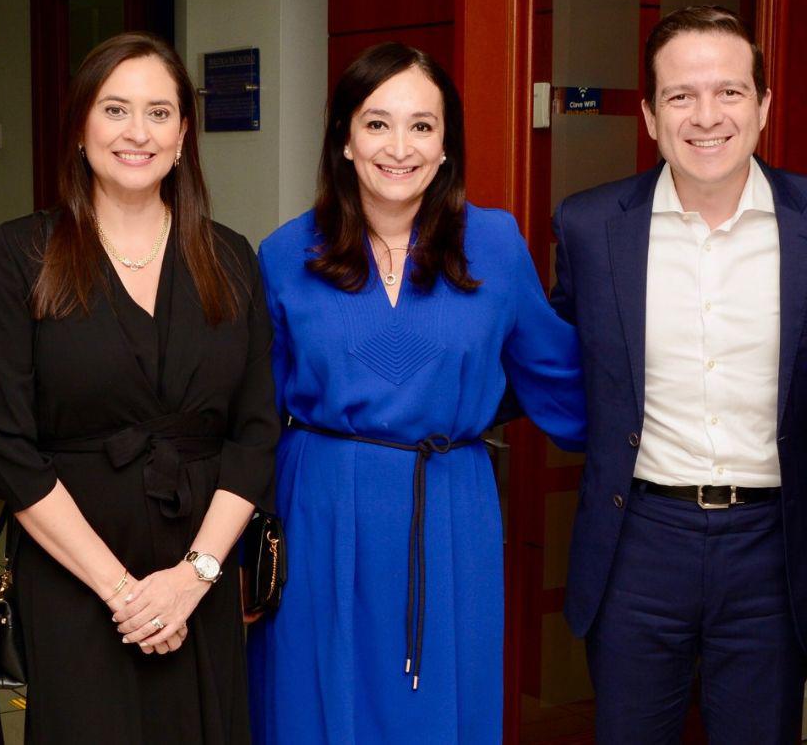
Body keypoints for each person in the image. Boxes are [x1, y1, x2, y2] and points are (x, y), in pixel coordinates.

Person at [246, 43, 586, 743]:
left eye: (422, 126)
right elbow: (250, 417)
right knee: (317, 700)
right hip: (320, 512)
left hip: (450, 512)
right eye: (377, 123)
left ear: (446, 144)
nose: (399, 147)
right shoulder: (284, 254)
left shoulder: (495, 244)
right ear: (344, 138)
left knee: (438, 705)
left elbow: (561, 378)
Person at [0, 31, 278, 743]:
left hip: (199, 576)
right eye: (115, 110)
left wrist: (193, 577)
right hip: (74, 575)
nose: (138, 132)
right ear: (81, 127)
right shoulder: (21, 255)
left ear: (183, 135)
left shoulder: (230, 257)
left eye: (159, 113)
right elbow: (4, 442)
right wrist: (123, 592)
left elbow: (257, 431)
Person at [553, 5, 807, 743]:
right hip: (640, 541)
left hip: (774, 545)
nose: (706, 116)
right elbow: (547, 359)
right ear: (649, 115)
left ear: (763, 105)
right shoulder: (590, 227)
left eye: (729, 91)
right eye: (680, 96)